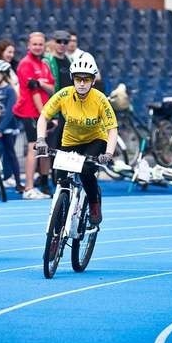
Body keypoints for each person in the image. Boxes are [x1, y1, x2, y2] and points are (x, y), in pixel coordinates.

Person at [35, 52, 118, 225]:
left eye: (86, 79)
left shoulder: (100, 99)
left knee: (86, 170)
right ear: (72, 78)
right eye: (78, 79)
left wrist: (109, 153)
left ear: (93, 80)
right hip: (70, 141)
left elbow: (112, 129)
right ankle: (62, 209)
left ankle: (94, 204)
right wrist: (41, 139)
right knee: (61, 177)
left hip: (95, 140)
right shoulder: (64, 95)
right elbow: (44, 116)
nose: (81, 83)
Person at [12, 32, 55, 199]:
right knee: (33, 146)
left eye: (40, 44)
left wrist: (42, 83)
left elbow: (52, 88)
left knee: (41, 148)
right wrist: (45, 116)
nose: (38, 47)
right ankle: (28, 187)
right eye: (35, 44)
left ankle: (39, 184)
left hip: (41, 112)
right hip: (29, 112)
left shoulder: (44, 64)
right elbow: (35, 92)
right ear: (29, 46)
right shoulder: (26, 64)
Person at [0, 59, 23, 192]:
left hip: (7, 128)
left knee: (10, 154)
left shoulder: (9, 90)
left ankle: (18, 183)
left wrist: (1, 128)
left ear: (4, 74)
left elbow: (10, 111)